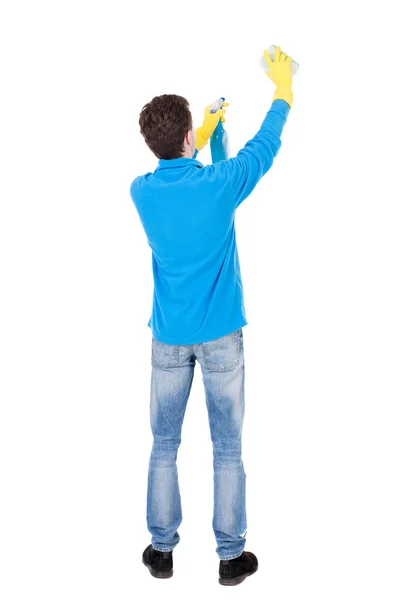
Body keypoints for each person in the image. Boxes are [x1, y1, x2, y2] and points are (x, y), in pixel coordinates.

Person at [130, 46, 294, 586]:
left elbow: (196, 171)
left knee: (163, 444)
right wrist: (282, 89)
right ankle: (229, 557)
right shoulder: (218, 186)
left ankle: (161, 551)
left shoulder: (143, 191)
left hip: (168, 340)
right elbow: (261, 150)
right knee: (228, 447)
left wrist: (205, 131)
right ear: (184, 139)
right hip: (222, 339)